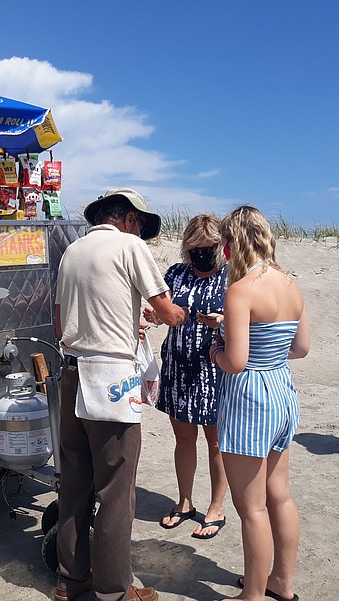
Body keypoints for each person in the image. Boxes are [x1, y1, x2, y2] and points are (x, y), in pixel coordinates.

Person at [53, 188, 189, 601]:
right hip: (111, 378)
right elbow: (166, 310)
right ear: (129, 219)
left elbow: (60, 324)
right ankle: (115, 590)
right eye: (141, 225)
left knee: (75, 482)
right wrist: (178, 315)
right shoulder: (129, 246)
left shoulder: (72, 251)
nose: (141, 232)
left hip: (72, 373)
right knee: (116, 488)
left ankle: (71, 580)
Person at [210, 205, 309, 601]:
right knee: (279, 495)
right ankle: (281, 582)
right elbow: (300, 348)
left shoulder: (241, 289)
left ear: (232, 243)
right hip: (281, 390)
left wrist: (216, 350)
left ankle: (252, 595)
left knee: (251, 507)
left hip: (250, 399)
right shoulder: (289, 282)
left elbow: (235, 362)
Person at [143, 215, 228, 539]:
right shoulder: (176, 273)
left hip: (215, 370)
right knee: (184, 440)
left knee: (217, 443)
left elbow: (245, 320)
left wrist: (221, 320)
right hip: (178, 367)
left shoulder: (229, 276)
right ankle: (184, 502)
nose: (203, 254)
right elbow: (162, 312)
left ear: (220, 247)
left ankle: (216, 507)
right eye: (196, 249)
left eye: (209, 248)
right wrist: (155, 316)